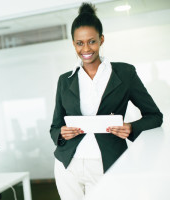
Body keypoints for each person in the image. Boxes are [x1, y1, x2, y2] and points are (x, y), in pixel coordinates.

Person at [49, 2, 163, 200]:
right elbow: (54, 127)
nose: (86, 49)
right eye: (79, 43)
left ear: (101, 40)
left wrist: (130, 127)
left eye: (91, 41)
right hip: (68, 164)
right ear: (74, 44)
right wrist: (61, 133)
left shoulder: (124, 73)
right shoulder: (64, 80)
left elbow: (155, 117)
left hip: (107, 163)